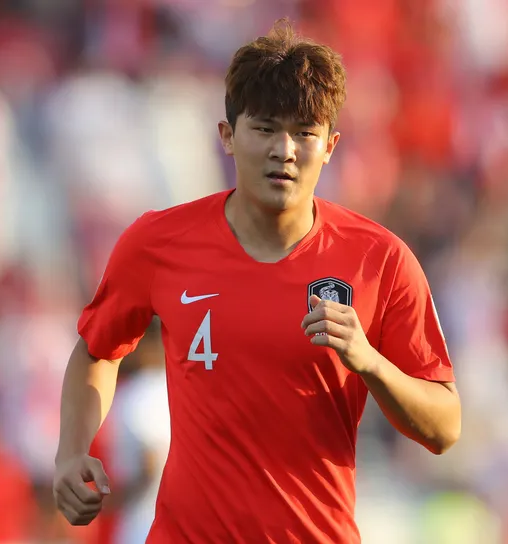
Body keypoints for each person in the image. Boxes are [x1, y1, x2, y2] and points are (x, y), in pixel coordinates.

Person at [53, 18, 461, 544]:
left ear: (330, 145)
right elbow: (97, 351)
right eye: (265, 128)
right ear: (227, 136)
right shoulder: (157, 242)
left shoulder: (380, 260)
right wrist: (71, 451)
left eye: (305, 132)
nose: (284, 150)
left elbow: (445, 427)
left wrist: (370, 362)